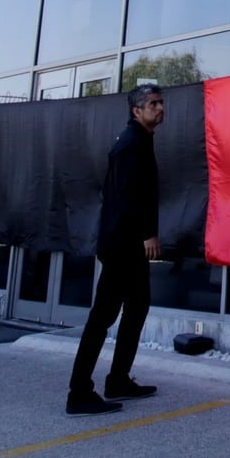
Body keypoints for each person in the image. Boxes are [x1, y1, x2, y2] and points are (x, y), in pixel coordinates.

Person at [67, 84, 164, 415]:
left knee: (137, 308)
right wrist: (147, 234)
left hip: (127, 243)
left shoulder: (140, 140)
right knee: (103, 316)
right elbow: (126, 198)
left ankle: (118, 379)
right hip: (123, 244)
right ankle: (79, 392)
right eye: (153, 103)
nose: (160, 108)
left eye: (161, 103)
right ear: (136, 111)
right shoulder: (131, 144)